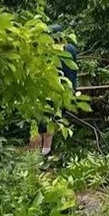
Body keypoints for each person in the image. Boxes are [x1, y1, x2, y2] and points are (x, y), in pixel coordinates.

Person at [30, 24, 79, 155]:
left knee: (46, 120)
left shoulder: (53, 51)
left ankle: (44, 152)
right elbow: (74, 71)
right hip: (67, 90)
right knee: (55, 118)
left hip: (52, 90)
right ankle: (46, 151)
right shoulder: (71, 49)